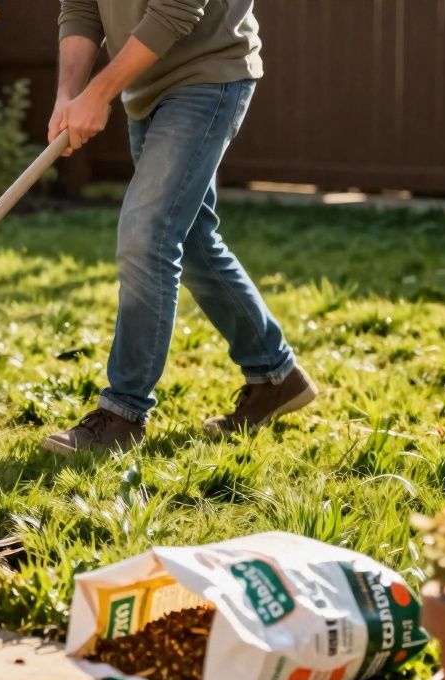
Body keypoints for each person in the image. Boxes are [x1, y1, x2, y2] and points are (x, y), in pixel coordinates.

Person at [41, 0, 317, 456]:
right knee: (190, 240)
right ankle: (275, 376)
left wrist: (99, 92)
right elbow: (81, 7)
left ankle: (122, 414)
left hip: (207, 76)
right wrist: (68, 94)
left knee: (146, 237)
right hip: (145, 86)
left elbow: (177, 8)